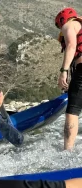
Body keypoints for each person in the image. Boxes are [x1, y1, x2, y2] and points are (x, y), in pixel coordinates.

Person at [55, 7, 82, 150]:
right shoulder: (80, 24)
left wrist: (63, 71)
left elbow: (71, 46)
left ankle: (68, 150)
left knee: (73, 110)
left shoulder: (68, 25)